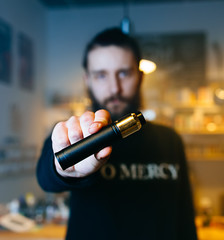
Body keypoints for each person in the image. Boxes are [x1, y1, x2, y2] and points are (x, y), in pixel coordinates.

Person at [36, 27, 198, 240]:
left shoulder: (170, 140)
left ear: (140, 77)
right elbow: (46, 176)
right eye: (101, 75)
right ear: (87, 80)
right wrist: (65, 170)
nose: (115, 88)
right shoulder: (72, 137)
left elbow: (184, 216)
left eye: (124, 73)